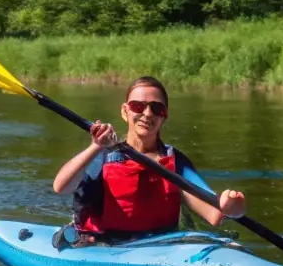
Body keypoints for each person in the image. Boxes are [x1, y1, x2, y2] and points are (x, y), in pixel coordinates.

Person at [52, 76, 245, 243]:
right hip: (103, 246)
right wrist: (96, 146)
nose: (147, 114)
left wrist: (231, 207)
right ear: (125, 111)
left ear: (164, 115)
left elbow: (214, 214)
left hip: (160, 247)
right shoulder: (103, 156)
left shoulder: (175, 162)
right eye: (138, 106)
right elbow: (61, 187)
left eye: (157, 108)